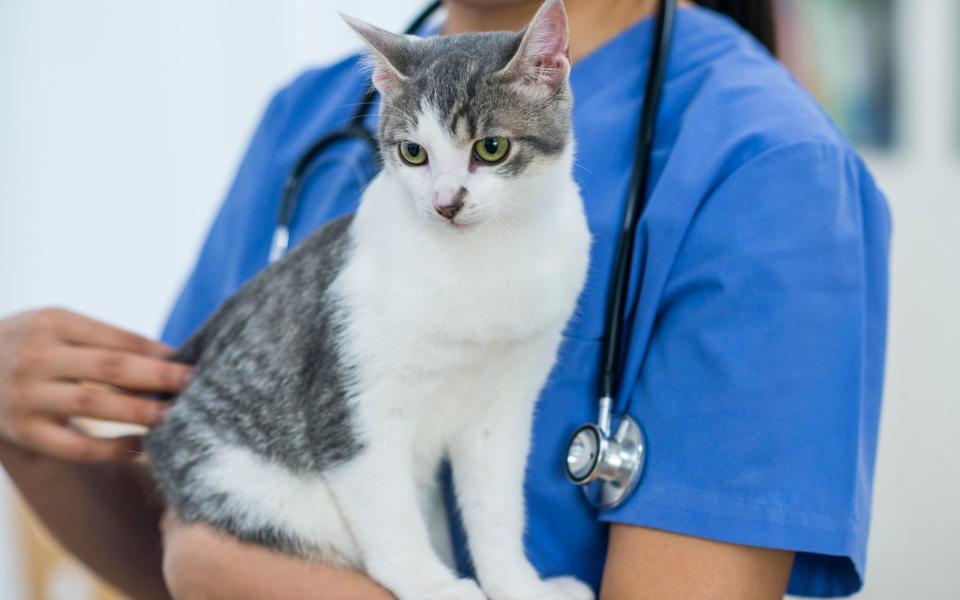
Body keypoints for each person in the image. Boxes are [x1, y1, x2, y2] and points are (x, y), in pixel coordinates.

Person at [0, 0, 890, 598]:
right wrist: (28, 438)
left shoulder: (771, 172)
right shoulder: (310, 118)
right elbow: (170, 526)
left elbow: (210, 567)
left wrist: (237, 574)